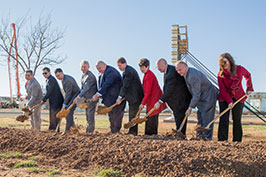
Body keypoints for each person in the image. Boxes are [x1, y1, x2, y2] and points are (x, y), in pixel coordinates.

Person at [175, 61, 218, 140]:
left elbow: (196, 94)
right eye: (177, 70)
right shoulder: (185, 74)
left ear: (185, 67)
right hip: (201, 97)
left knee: (207, 119)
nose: (178, 72)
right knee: (200, 117)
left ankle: (207, 139)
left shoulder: (192, 76)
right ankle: (199, 138)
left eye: (180, 69)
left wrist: (190, 107)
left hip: (208, 96)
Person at [217, 53, 253, 142]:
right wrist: (229, 101)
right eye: (221, 63)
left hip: (239, 97)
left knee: (237, 119)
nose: (223, 64)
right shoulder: (220, 74)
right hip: (224, 97)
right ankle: (222, 140)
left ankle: (237, 141)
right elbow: (222, 90)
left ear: (230, 61)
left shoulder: (239, 69)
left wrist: (249, 87)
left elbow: (248, 75)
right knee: (224, 118)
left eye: (225, 62)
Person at [154, 58, 191, 136]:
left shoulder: (171, 72)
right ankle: (180, 133)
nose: (158, 69)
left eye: (159, 66)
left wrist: (160, 101)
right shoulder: (168, 71)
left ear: (164, 64)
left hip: (180, 101)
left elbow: (169, 90)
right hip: (177, 101)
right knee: (178, 118)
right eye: (157, 67)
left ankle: (181, 135)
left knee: (180, 118)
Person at [92, 61, 126, 133]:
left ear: (104, 65)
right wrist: (100, 96)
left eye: (100, 68)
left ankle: (116, 131)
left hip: (116, 98)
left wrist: (98, 94)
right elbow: (102, 86)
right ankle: (112, 130)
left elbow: (107, 83)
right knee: (111, 115)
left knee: (117, 115)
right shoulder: (101, 75)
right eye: (97, 68)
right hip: (109, 100)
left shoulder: (111, 71)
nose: (99, 70)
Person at [116, 57, 144, 135]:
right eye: (118, 66)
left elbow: (125, 85)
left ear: (125, 63)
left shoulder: (128, 71)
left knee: (133, 115)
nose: (119, 67)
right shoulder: (127, 70)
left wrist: (120, 96)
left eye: (120, 65)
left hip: (135, 97)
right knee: (132, 114)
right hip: (133, 97)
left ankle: (133, 132)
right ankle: (132, 131)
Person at [139, 58, 167, 135]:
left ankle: (153, 135)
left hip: (154, 101)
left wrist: (142, 103)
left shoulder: (149, 76)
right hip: (151, 101)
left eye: (142, 67)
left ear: (147, 66)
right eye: (140, 67)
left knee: (152, 119)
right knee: (148, 118)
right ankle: (148, 135)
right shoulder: (146, 75)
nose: (141, 69)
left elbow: (148, 92)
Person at [73, 60, 98, 133]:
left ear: (88, 67)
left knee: (90, 115)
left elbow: (86, 88)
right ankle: (88, 130)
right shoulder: (84, 75)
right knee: (87, 114)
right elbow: (82, 88)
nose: (83, 68)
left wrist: (78, 97)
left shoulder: (90, 76)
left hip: (91, 99)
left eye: (84, 67)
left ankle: (90, 131)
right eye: (82, 67)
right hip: (86, 99)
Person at [55, 68, 80, 133]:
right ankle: (74, 128)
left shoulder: (67, 80)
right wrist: (65, 105)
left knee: (68, 111)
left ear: (62, 73)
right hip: (71, 96)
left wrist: (64, 104)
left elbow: (68, 93)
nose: (58, 77)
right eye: (57, 76)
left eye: (59, 75)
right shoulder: (64, 80)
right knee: (68, 111)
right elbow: (68, 94)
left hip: (76, 96)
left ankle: (67, 130)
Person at [41, 67, 64, 132]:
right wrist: (44, 99)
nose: (44, 74)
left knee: (54, 115)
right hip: (53, 101)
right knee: (52, 115)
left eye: (45, 73)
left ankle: (54, 130)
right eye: (43, 73)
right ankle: (52, 129)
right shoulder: (48, 80)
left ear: (49, 72)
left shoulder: (51, 79)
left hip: (57, 101)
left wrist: (44, 99)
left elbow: (50, 91)